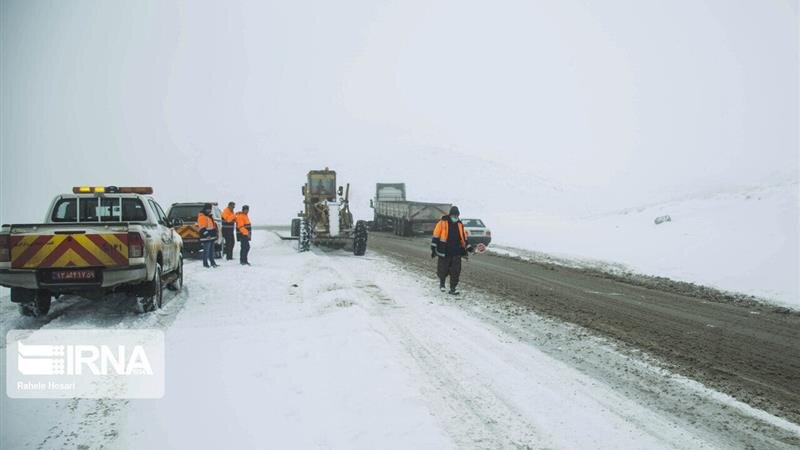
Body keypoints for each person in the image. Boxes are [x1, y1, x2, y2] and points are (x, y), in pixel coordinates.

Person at [431, 206, 474, 295]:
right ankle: (442, 284)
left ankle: (453, 288)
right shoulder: (442, 222)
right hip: (445, 251)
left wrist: (469, 248)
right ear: (450, 214)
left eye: (457, 215)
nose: (455, 217)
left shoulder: (459, 224)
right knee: (443, 269)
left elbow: (463, 238)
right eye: (454, 215)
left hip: (456, 252)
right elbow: (436, 235)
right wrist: (433, 248)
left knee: (456, 271)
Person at [197, 203, 219, 268]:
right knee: (206, 251)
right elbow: (202, 228)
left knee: (211, 251)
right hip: (206, 237)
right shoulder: (202, 217)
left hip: (211, 237)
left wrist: (215, 234)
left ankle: (212, 262)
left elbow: (212, 226)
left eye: (210, 209)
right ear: (205, 209)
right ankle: (205, 264)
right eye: (208, 209)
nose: (209, 210)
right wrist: (207, 235)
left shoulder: (209, 216)